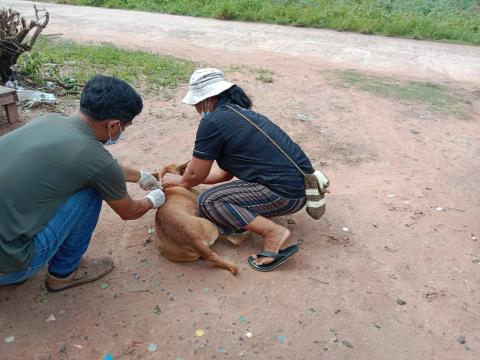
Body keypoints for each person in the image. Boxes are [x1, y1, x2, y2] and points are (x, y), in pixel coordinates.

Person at [0, 75, 165, 291]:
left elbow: (92, 165)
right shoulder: (95, 159)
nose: (121, 132)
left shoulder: (49, 120)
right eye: (124, 127)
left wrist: (139, 175)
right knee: (90, 191)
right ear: (113, 125)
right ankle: (64, 274)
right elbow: (129, 211)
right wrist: (153, 200)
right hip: (8, 268)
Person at [161, 68, 314, 271]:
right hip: (299, 190)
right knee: (218, 196)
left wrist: (178, 181)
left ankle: (272, 233)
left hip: (284, 194)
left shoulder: (212, 122)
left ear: (208, 99)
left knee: (209, 201)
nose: (197, 109)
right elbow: (225, 174)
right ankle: (240, 225)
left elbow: (195, 175)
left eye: (197, 103)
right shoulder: (242, 115)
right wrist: (189, 177)